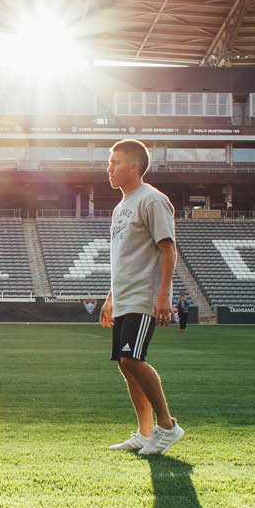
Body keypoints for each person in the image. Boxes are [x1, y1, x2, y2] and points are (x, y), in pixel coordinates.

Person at [100, 139, 183, 457]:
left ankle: (167, 426)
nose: (109, 168)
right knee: (125, 364)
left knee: (132, 359)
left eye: (115, 162)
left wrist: (163, 296)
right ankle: (145, 433)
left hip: (143, 296)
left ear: (134, 166)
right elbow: (122, 258)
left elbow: (168, 248)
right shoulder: (122, 207)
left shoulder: (152, 200)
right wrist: (110, 298)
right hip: (124, 297)